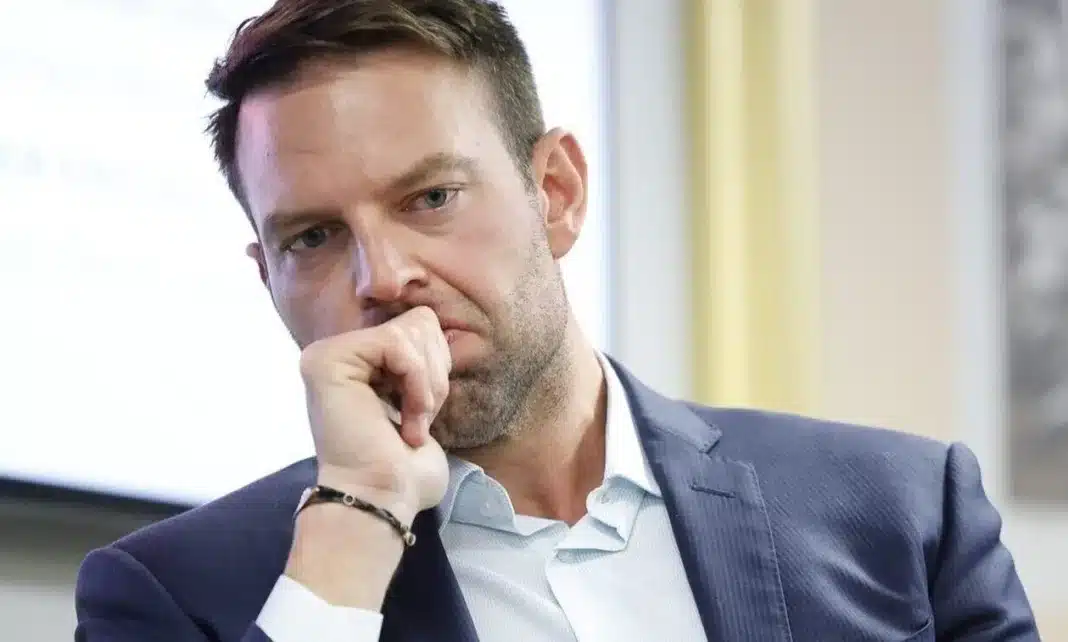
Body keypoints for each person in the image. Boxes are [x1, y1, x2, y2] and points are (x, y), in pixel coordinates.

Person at [73, 1, 1040, 641]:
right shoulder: (173, 596)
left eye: (431, 197)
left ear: (558, 191)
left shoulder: (905, 514)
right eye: (315, 237)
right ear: (268, 278)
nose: (383, 277)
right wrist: (357, 520)